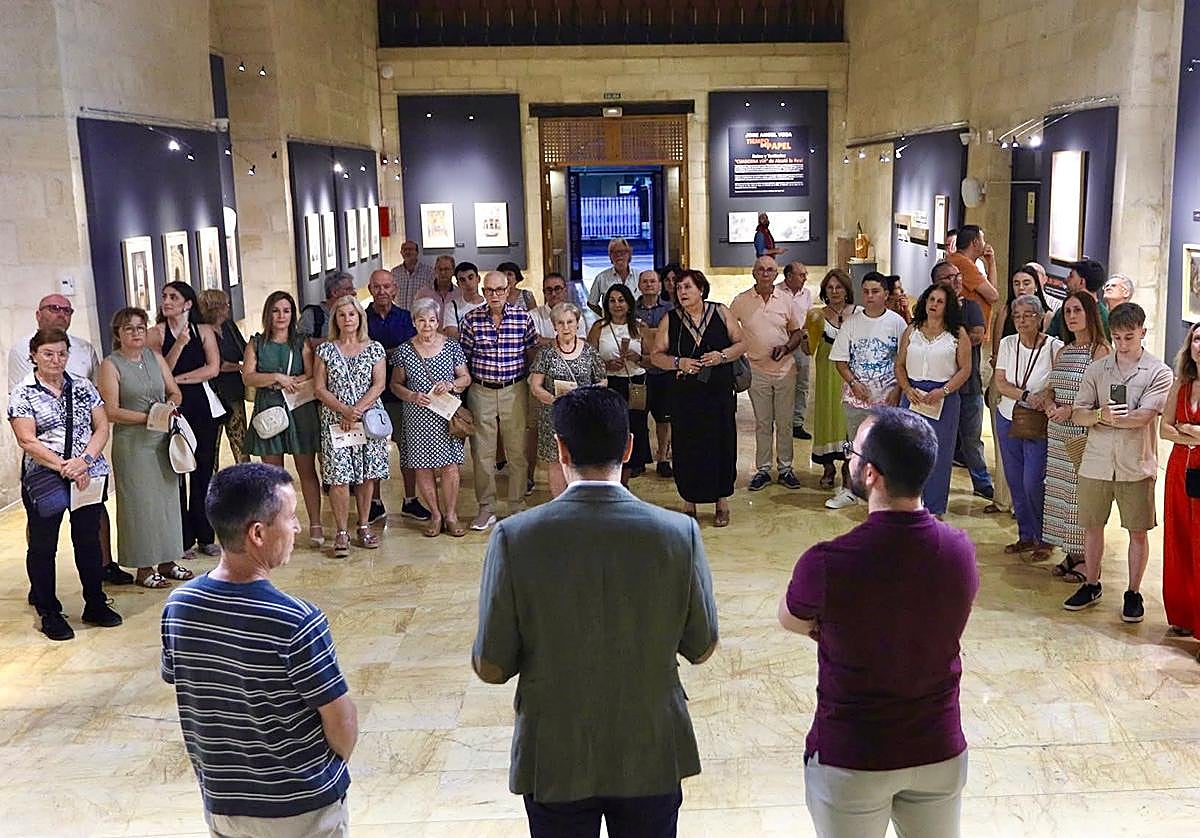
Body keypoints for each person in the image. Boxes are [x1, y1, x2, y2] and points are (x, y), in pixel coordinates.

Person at [472, 386, 718, 838]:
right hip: (650, 745)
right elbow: (702, 647)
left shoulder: (515, 537)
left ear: (561, 449)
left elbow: (492, 665)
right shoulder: (678, 533)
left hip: (556, 751)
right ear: (628, 446)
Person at [779, 407, 977, 837]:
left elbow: (791, 618)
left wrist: (830, 627)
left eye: (853, 453)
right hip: (937, 747)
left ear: (870, 474)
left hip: (855, 754)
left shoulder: (828, 561)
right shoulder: (960, 550)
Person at [161, 463, 357, 837]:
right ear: (257, 533)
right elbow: (341, 723)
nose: (298, 527)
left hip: (225, 805)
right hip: (302, 808)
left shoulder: (179, 607)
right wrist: (323, 776)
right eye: (291, 517)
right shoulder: (296, 620)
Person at [9, 329, 123, 640]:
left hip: (86, 470)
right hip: (45, 474)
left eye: (61, 353)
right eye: (48, 353)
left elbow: (101, 427)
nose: (56, 360)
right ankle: (48, 610)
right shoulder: (23, 392)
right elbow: (26, 440)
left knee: (87, 539)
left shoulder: (83, 386)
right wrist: (64, 466)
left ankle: (95, 602)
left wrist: (83, 461)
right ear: (34, 354)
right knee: (44, 545)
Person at [1064, 303, 1174, 622]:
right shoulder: (1098, 369)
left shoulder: (1159, 372)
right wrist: (1100, 415)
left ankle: (1133, 592)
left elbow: (1144, 417)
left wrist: (1107, 418)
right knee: (1092, 527)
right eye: (1117, 338)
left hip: (1136, 464)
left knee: (1137, 530)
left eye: (1129, 337)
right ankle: (1091, 583)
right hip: (1096, 462)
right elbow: (1078, 412)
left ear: (1142, 333)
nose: (1123, 344)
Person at [98, 308, 190, 589]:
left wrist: (169, 407)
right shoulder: (110, 365)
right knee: (140, 505)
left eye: (140, 327)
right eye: (129, 328)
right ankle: (143, 565)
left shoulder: (155, 357)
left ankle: (168, 560)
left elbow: (175, 391)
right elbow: (111, 411)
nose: (136, 333)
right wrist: (151, 418)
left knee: (166, 503)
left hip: (162, 440)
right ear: (118, 334)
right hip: (133, 444)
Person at [649, 269, 746, 526]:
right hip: (686, 396)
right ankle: (688, 501)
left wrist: (721, 356)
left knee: (721, 444)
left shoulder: (721, 311)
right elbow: (656, 355)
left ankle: (721, 503)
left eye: (687, 287)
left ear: (701, 289)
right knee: (687, 446)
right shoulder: (671, 319)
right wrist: (679, 362)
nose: (682, 292)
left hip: (719, 393)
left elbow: (741, 343)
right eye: (679, 288)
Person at [243, 291, 325, 547]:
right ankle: (277, 526)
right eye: (276, 311)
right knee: (273, 475)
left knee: (307, 471)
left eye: (286, 311)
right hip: (269, 409)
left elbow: (311, 374)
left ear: (293, 314)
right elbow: (248, 376)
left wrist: (290, 381)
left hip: (298, 407)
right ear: (269, 314)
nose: (281, 316)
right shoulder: (256, 343)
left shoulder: (301, 342)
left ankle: (315, 524)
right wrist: (277, 378)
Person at [459, 270, 539, 531]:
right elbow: (464, 359)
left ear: (508, 290)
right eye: (489, 290)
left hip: (513, 389)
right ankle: (486, 507)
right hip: (481, 391)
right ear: (483, 292)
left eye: (500, 290)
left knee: (517, 450)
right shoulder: (471, 320)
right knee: (483, 453)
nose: (494, 295)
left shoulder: (522, 318)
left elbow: (531, 352)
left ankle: (516, 505)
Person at [149, 281, 223, 559]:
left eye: (173, 297)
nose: (166, 301)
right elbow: (160, 369)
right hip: (173, 408)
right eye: (164, 296)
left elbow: (212, 368)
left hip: (201, 405)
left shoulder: (203, 330)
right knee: (177, 471)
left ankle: (205, 535)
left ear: (188, 303)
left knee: (203, 471)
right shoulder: (156, 334)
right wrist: (179, 345)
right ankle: (181, 538)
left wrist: (177, 381)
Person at [389, 297, 472, 537]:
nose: (427, 325)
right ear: (414, 322)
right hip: (417, 417)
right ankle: (435, 515)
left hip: (445, 416)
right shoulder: (405, 350)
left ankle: (451, 514)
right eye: (422, 320)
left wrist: (452, 384)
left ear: (438, 322)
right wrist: (413, 396)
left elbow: (465, 378)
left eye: (432, 320)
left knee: (450, 466)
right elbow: (395, 385)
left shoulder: (452, 346)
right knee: (422, 467)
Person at [314, 295, 390, 557]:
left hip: (367, 419)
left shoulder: (375, 348)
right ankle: (341, 531)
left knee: (368, 475)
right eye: (342, 315)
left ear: (360, 318)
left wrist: (357, 410)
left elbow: (379, 384)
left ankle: (365, 524)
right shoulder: (325, 350)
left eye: (352, 314)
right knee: (339, 477)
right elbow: (319, 388)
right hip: (336, 421)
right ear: (336, 319)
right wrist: (345, 410)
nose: (348, 319)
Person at [1042, 291, 1109, 582]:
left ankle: (1087, 558)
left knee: (1081, 497)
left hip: (1084, 433)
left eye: (1077, 311)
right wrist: (1048, 404)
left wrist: (1073, 410)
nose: (1071, 317)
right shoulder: (1063, 351)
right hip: (1057, 432)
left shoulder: (1100, 351)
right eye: (1067, 311)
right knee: (1060, 495)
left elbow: (1103, 396)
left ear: (1090, 314)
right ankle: (1071, 551)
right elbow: (1050, 387)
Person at [827, 271, 907, 509]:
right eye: (866, 292)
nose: (870, 296)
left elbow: (903, 361)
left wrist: (898, 390)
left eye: (875, 292)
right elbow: (840, 360)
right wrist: (853, 383)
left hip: (888, 398)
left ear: (885, 294)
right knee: (854, 446)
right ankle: (850, 490)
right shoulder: (852, 323)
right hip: (857, 399)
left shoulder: (897, 323)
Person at [993, 294, 1061, 556]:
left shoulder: (1054, 347)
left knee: (1033, 481)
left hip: (1037, 422)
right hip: (1008, 417)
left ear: (1040, 318)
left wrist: (1046, 396)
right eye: (1017, 316)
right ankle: (1025, 534)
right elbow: (1000, 382)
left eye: (1028, 315)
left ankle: (1045, 536)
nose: (1022, 321)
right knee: (1015, 480)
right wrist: (1024, 396)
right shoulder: (1009, 344)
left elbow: (1058, 382)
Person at [896, 284, 972, 518]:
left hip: (943, 399)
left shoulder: (957, 334)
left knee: (938, 455)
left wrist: (944, 390)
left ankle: (934, 509)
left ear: (947, 306)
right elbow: (899, 364)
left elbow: (965, 369)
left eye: (939, 301)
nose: (934, 304)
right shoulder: (912, 330)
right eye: (931, 299)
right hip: (913, 395)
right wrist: (907, 388)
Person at [731, 255, 805, 491]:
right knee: (763, 423)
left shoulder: (785, 300)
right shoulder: (741, 301)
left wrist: (785, 348)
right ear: (754, 273)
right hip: (756, 371)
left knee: (784, 422)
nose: (765, 273)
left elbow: (797, 332)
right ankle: (762, 469)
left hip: (785, 370)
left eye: (770, 270)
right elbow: (729, 330)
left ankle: (785, 468)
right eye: (761, 269)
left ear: (776, 274)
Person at [365, 269, 429, 523]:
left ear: (395, 289)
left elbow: (412, 350)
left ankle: (411, 500)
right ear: (370, 289)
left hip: (403, 393)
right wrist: (388, 355)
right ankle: (375, 502)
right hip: (371, 394)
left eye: (387, 286)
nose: (382, 291)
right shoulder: (361, 318)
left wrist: (382, 355)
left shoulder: (406, 318)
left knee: (408, 448)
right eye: (377, 287)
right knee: (375, 448)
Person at [529, 302, 607, 497]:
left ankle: (579, 503)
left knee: (581, 460)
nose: (565, 327)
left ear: (578, 324)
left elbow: (603, 381)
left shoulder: (589, 351)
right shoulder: (546, 353)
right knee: (556, 462)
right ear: (554, 326)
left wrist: (585, 394)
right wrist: (554, 399)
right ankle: (560, 505)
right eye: (560, 323)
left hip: (582, 415)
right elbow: (535, 386)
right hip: (554, 416)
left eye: (570, 322)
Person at [934, 260, 994, 500]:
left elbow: (977, 336)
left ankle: (981, 482)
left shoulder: (970, 306)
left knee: (971, 439)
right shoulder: (932, 307)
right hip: (937, 385)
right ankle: (935, 484)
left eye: (957, 276)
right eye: (948, 277)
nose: (956, 280)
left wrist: (944, 336)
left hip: (969, 387)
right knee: (938, 440)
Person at [526, 272, 590, 493]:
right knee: (541, 439)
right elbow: (532, 346)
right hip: (545, 392)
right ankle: (531, 479)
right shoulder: (533, 315)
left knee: (577, 448)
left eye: (557, 288)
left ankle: (577, 493)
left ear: (565, 289)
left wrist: (547, 342)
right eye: (548, 289)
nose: (553, 293)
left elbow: (579, 343)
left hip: (578, 397)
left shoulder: (575, 313)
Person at [589, 283, 651, 484]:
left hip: (634, 383)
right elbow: (588, 359)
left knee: (633, 431)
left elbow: (652, 359)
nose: (617, 305)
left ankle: (625, 480)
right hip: (609, 383)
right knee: (610, 432)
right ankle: (610, 478)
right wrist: (605, 364)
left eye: (621, 300)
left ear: (629, 303)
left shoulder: (640, 327)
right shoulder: (599, 327)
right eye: (612, 301)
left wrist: (637, 358)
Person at [1162, 321, 1200, 640]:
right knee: (1180, 540)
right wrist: (1193, 436)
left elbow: (1179, 429)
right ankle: (1183, 614)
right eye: (1197, 339)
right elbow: (1164, 429)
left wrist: (1188, 432)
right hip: (1178, 471)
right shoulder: (1180, 384)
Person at [806, 270, 858, 496]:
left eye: (839, 287)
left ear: (847, 290)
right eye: (830, 288)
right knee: (828, 416)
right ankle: (828, 467)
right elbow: (809, 349)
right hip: (827, 375)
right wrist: (805, 335)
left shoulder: (859, 314)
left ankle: (848, 467)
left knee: (848, 420)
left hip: (852, 376)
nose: (835, 291)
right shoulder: (816, 316)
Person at [198, 289, 249, 465]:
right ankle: (212, 487)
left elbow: (243, 349)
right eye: (225, 304)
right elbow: (215, 365)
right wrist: (240, 367)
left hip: (233, 391)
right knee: (211, 445)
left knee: (241, 442)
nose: (228, 308)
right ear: (215, 308)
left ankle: (246, 483)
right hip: (211, 394)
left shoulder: (228, 326)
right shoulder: (200, 331)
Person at [636, 269, 675, 476]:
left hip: (663, 373)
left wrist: (648, 333)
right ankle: (639, 458)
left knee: (663, 418)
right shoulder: (631, 309)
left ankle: (662, 458)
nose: (649, 285)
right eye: (645, 281)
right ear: (639, 286)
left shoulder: (670, 310)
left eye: (653, 281)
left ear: (659, 285)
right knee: (638, 416)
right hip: (638, 374)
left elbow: (668, 338)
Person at [946, 225, 999, 336]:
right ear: (975, 242)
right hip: (969, 330)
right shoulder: (963, 263)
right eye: (983, 240)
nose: (985, 244)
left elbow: (992, 290)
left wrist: (991, 262)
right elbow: (993, 296)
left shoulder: (962, 260)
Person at [782, 261, 814, 440]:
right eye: (801, 275)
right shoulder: (776, 292)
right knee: (782, 386)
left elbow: (808, 318)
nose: (805, 278)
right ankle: (780, 421)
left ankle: (797, 423)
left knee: (802, 384)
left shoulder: (806, 294)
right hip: (782, 343)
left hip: (801, 344)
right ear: (789, 276)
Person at [1046, 258, 1110, 341]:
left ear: (1081, 282)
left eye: (1071, 276)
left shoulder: (1103, 317)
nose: (1066, 280)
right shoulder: (1063, 310)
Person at [300, 271, 355, 350]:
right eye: (348, 289)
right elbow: (301, 344)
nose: (353, 293)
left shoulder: (355, 315)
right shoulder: (311, 315)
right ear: (334, 293)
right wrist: (335, 341)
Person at [587, 237, 635, 315]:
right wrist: (605, 316)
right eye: (615, 253)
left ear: (629, 254)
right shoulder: (601, 278)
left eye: (622, 252)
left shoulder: (640, 277)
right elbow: (591, 303)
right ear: (610, 256)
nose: (619, 255)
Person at [442, 260, 487, 339]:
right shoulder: (451, 307)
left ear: (478, 279)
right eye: (463, 280)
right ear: (458, 284)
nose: (468, 283)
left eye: (470, 277)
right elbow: (452, 336)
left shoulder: (489, 304)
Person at [391, 239, 435, 310]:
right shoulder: (395, 272)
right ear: (401, 252)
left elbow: (433, 294)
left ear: (417, 252)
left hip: (420, 314)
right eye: (404, 250)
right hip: (400, 316)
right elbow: (391, 294)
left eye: (411, 249)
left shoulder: (429, 272)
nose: (407, 252)